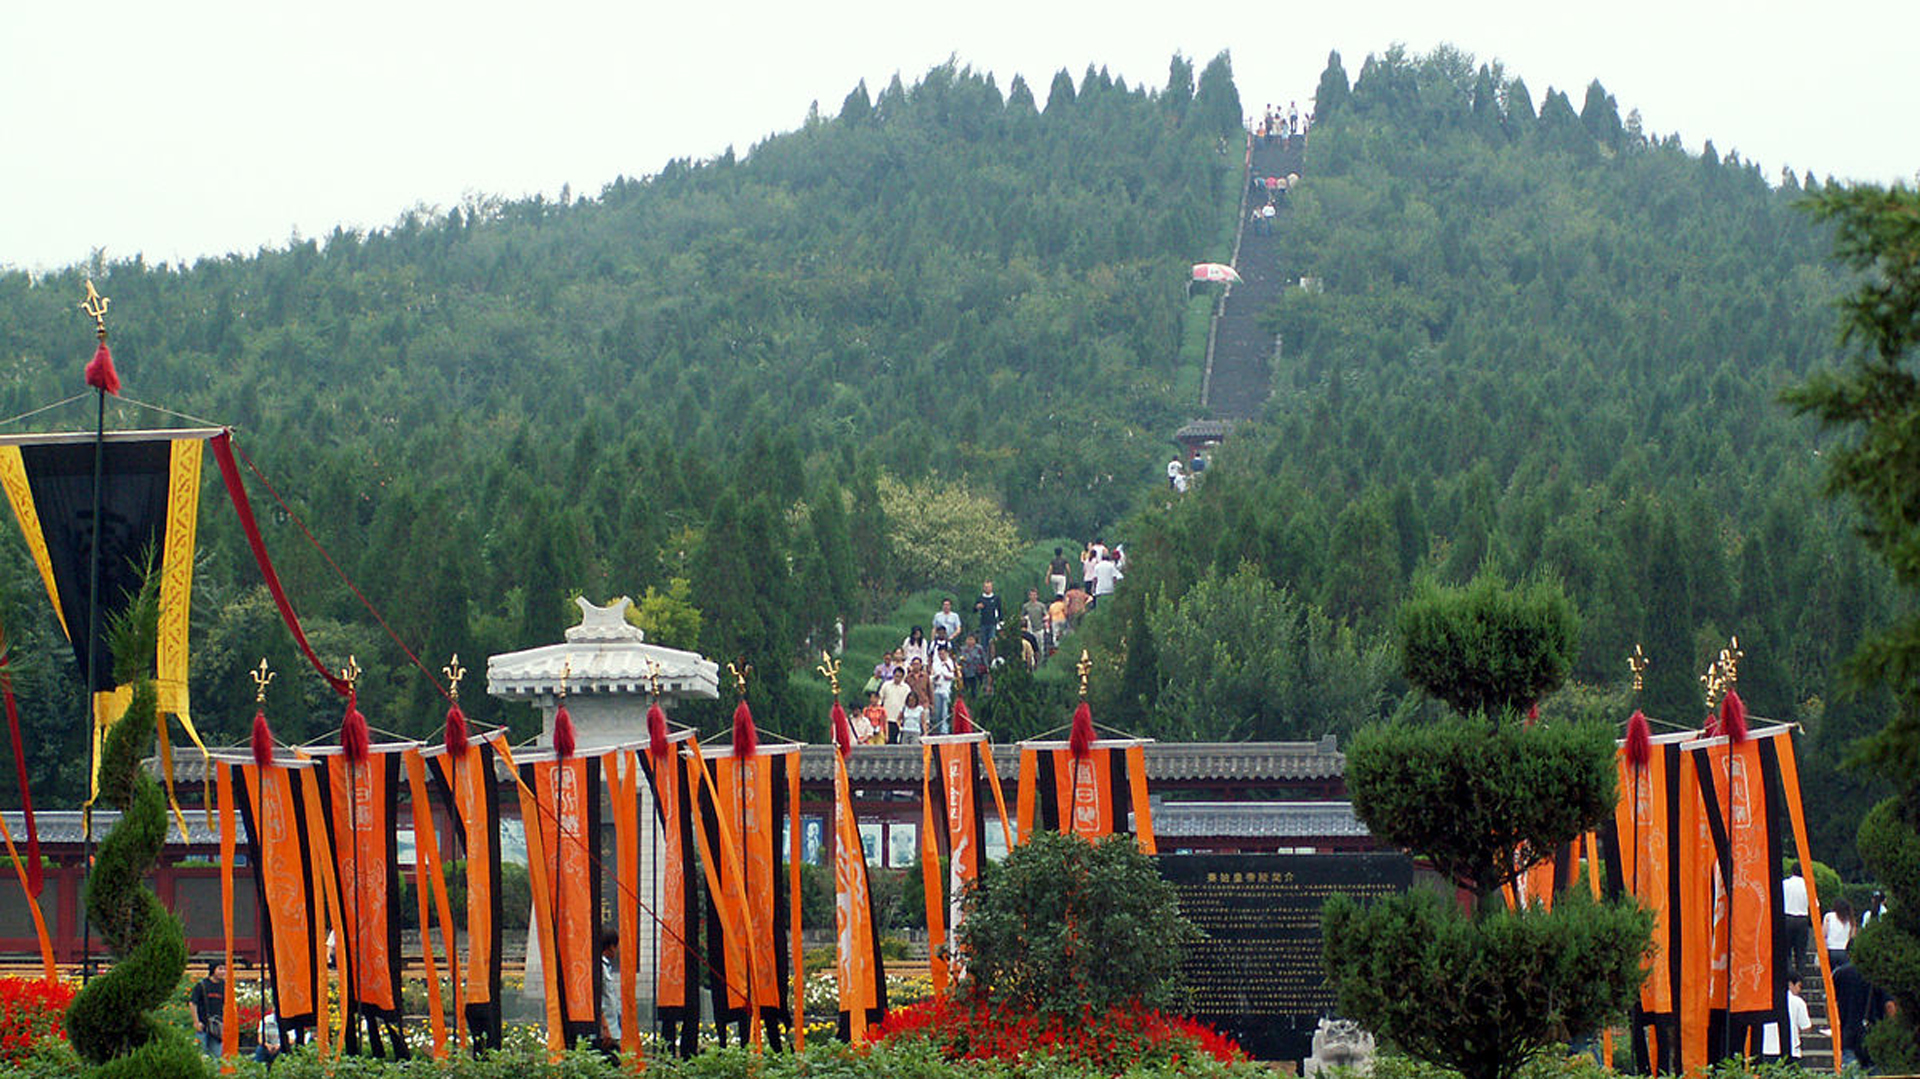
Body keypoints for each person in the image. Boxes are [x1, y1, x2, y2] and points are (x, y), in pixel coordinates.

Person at [191, 960, 227, 1056]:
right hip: (203, 1026)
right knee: (200, 1055)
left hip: (217, 1028)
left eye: (224, 969)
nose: (223, 972)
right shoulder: (202, 985)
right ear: (213, 970)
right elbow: (193, 1003)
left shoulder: (225, 986)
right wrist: (196, 1022)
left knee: (217, 1057)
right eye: (220, 969)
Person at [1781, 864, 1809, 977]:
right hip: (1802, 919)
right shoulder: (1808, 885)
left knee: (1786, 949)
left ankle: (1787, 974)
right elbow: (1814, 904)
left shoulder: (1785, 884)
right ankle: (1800, 976)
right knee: (1801, 951)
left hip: (1787, 917)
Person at [597, 928, 621, 1055]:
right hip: (605, 1031)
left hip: (612, 1029)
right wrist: (605, 1027)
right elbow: (597, 1000)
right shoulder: (598, 967)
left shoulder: (606, 966)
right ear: (611, 946)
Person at [928, 641, 957, 733]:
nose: (941, 655)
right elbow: (931, 677)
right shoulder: (935, 664)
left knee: (945, 712)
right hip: (937, 690)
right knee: (938, 713)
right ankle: (937, 729)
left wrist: (947, 676)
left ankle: (944, 731)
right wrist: (934, 678)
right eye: (940, 653)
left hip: (947, 689)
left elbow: (954, 675)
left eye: (943, 653)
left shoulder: (950, 662)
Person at [877, 668, 909, 743]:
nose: (897, 678)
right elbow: (880, 699)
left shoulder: (906, 688)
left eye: (899, 677)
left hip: (899, 719)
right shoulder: (886, 685)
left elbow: (907, 702)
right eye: (896, 676)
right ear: (893, 675)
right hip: (887, 717)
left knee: (897, 740)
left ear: (902, 677)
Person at [1825, 898, 1856, 968]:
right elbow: (1852, 936)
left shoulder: (1829, 916)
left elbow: (1824, 934)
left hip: (1830, 950)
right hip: (1844, 951)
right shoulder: (1850, 919)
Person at [973, 581, 1003, 648]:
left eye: (989, 587)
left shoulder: (996, 598)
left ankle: (991, 656)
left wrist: (1001, 622)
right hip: (983, 623)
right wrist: (977, 607)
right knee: (983, 643)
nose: (987, 588)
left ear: (991, 588)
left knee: (992, 642)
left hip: (992, 623)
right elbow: (974, 610)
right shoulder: (980, 598)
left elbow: (999, 610)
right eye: (986, 587)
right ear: (983, 588)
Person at [959, 633, 988, 700]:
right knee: (967, 690)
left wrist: (986, 668)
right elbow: (959, 660)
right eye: (968, 639)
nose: (970, 641)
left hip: (977, 672)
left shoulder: (979, 648)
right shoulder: (963, 649)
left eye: (971, 639)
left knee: (977, 689)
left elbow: (984, 659)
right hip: (966, 673)